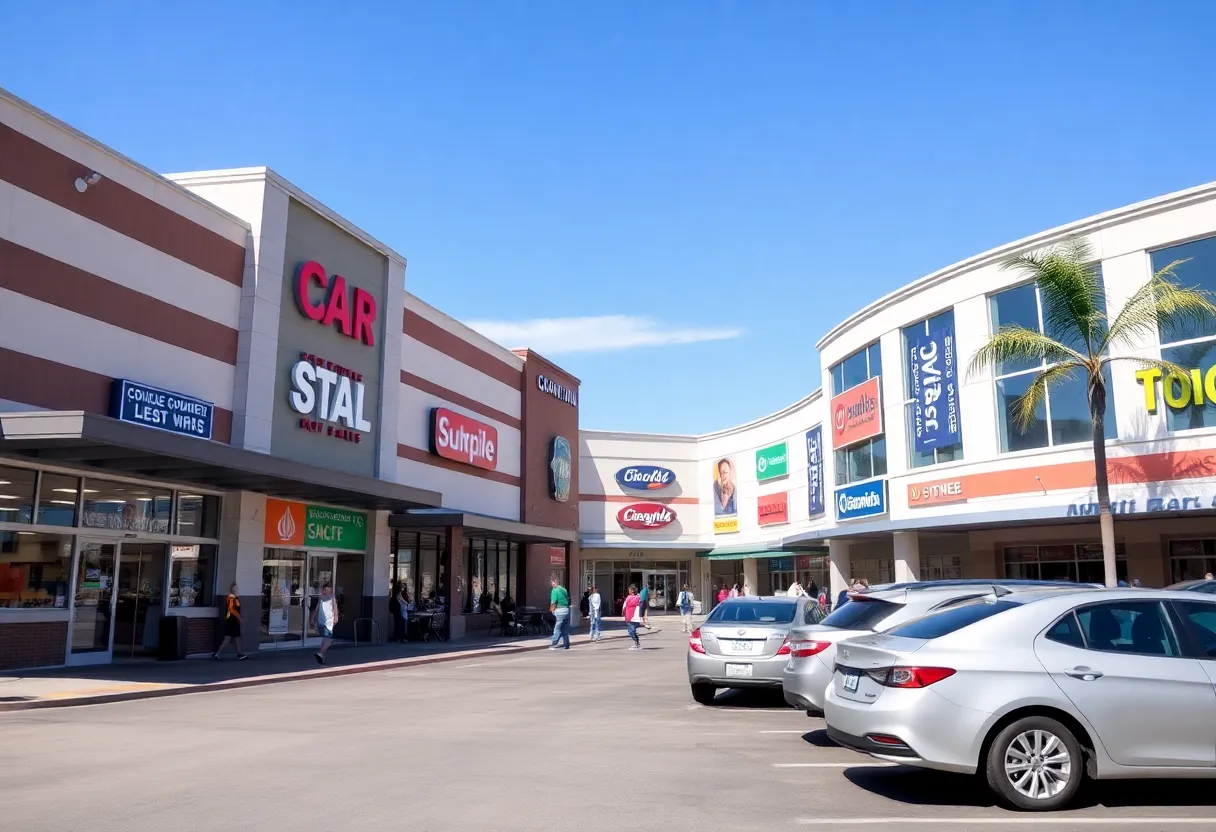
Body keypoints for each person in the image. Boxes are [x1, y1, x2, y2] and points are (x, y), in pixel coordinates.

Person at [214, 583, 247, 660]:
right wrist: (239, 618)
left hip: (234, 620)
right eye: (234, 588)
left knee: (234, 638)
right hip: (232, 620)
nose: (236, 589)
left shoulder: (236, 598)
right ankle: (218, 653)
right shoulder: (231, 598)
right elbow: (231, 609)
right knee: (229, 638)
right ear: (232, 589)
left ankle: (239, 653)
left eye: (236, 588)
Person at [312, 583, 338, 665]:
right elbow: (317, 608)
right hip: (326, 622)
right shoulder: (323, 597)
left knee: (325, 639)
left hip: (326, 621)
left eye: (328, 589)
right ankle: (320, 653)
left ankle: (322, 657)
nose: (327, 591)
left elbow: (334, 608)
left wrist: (336, 617)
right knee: (328, 639)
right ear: (323, 590)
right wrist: (312, 618)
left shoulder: (331, 597)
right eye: (326, 589)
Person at [548, 576, 571, 650]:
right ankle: (566, 644)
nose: (552, 584)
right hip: (566, 610)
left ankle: (554, 642)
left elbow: (553, 602)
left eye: (552, 583)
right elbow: (568, 599)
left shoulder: (554, 590)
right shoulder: (564, 590)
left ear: (555, 582)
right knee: (565, 628)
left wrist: (552, 611)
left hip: (559, 610)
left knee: (557, 628)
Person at [622, 585, 643, 650]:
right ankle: (636, 642)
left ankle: (636, 642)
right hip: (635, 616)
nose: (628, 591)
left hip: (629, 616)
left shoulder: (628, 598)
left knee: (631, 630)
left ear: (632, 591)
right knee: (632, 630)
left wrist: (623, 613)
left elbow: (624, 607)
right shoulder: (639, 597)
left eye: (629, 590)